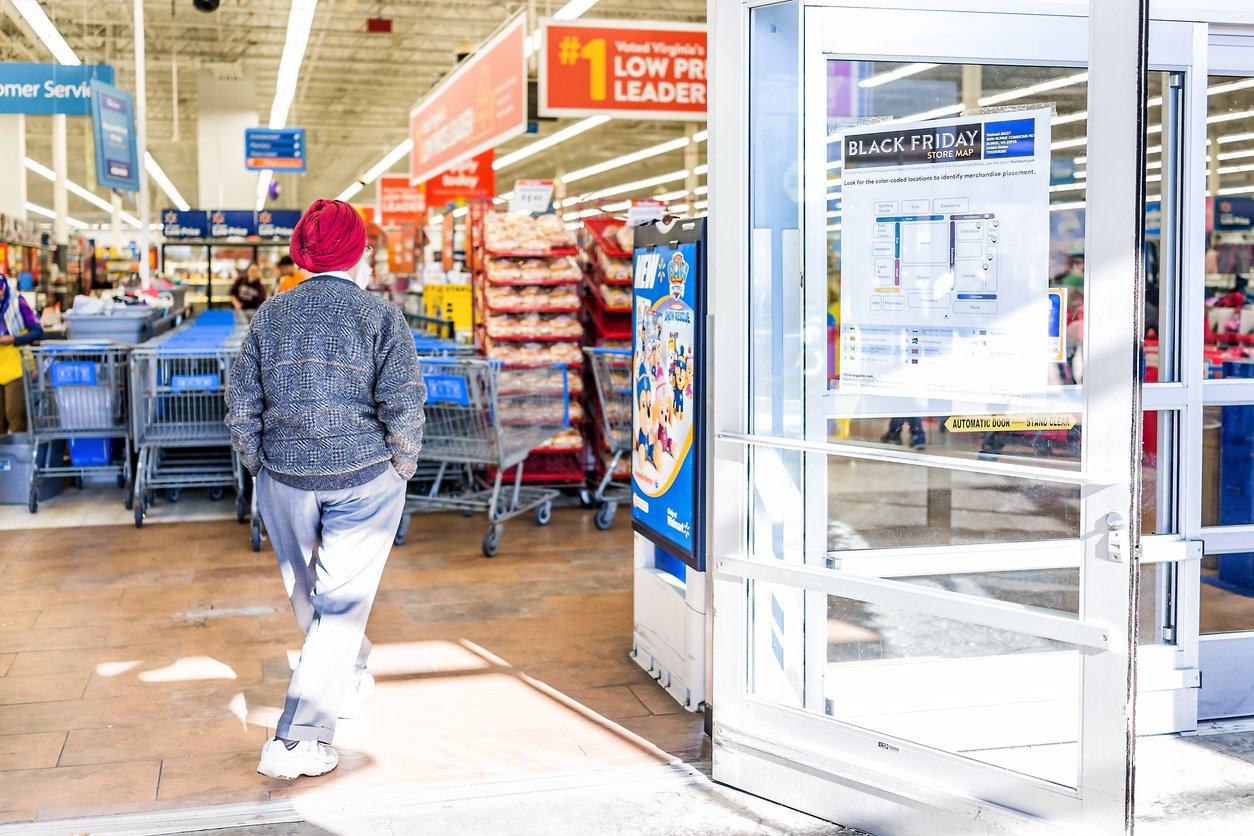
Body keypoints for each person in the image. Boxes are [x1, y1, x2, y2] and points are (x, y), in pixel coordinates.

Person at [225, 199, 426, 781]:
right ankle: (296, 739)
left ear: (302, 252)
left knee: (307, 589)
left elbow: (242, 406)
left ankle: (350, 670)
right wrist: (402, 465)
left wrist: (257, 463)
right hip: (366, 478)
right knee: (340, 604)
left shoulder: (270, 316)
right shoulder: (380, 317)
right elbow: (404, 405)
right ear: (359, 250)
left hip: (284, 477)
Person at [0, 273, 44, 434]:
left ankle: (20, 455)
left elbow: (38, 332)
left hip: (17, 366)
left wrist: (14, 339)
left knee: (15, 413)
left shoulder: (17, 303)